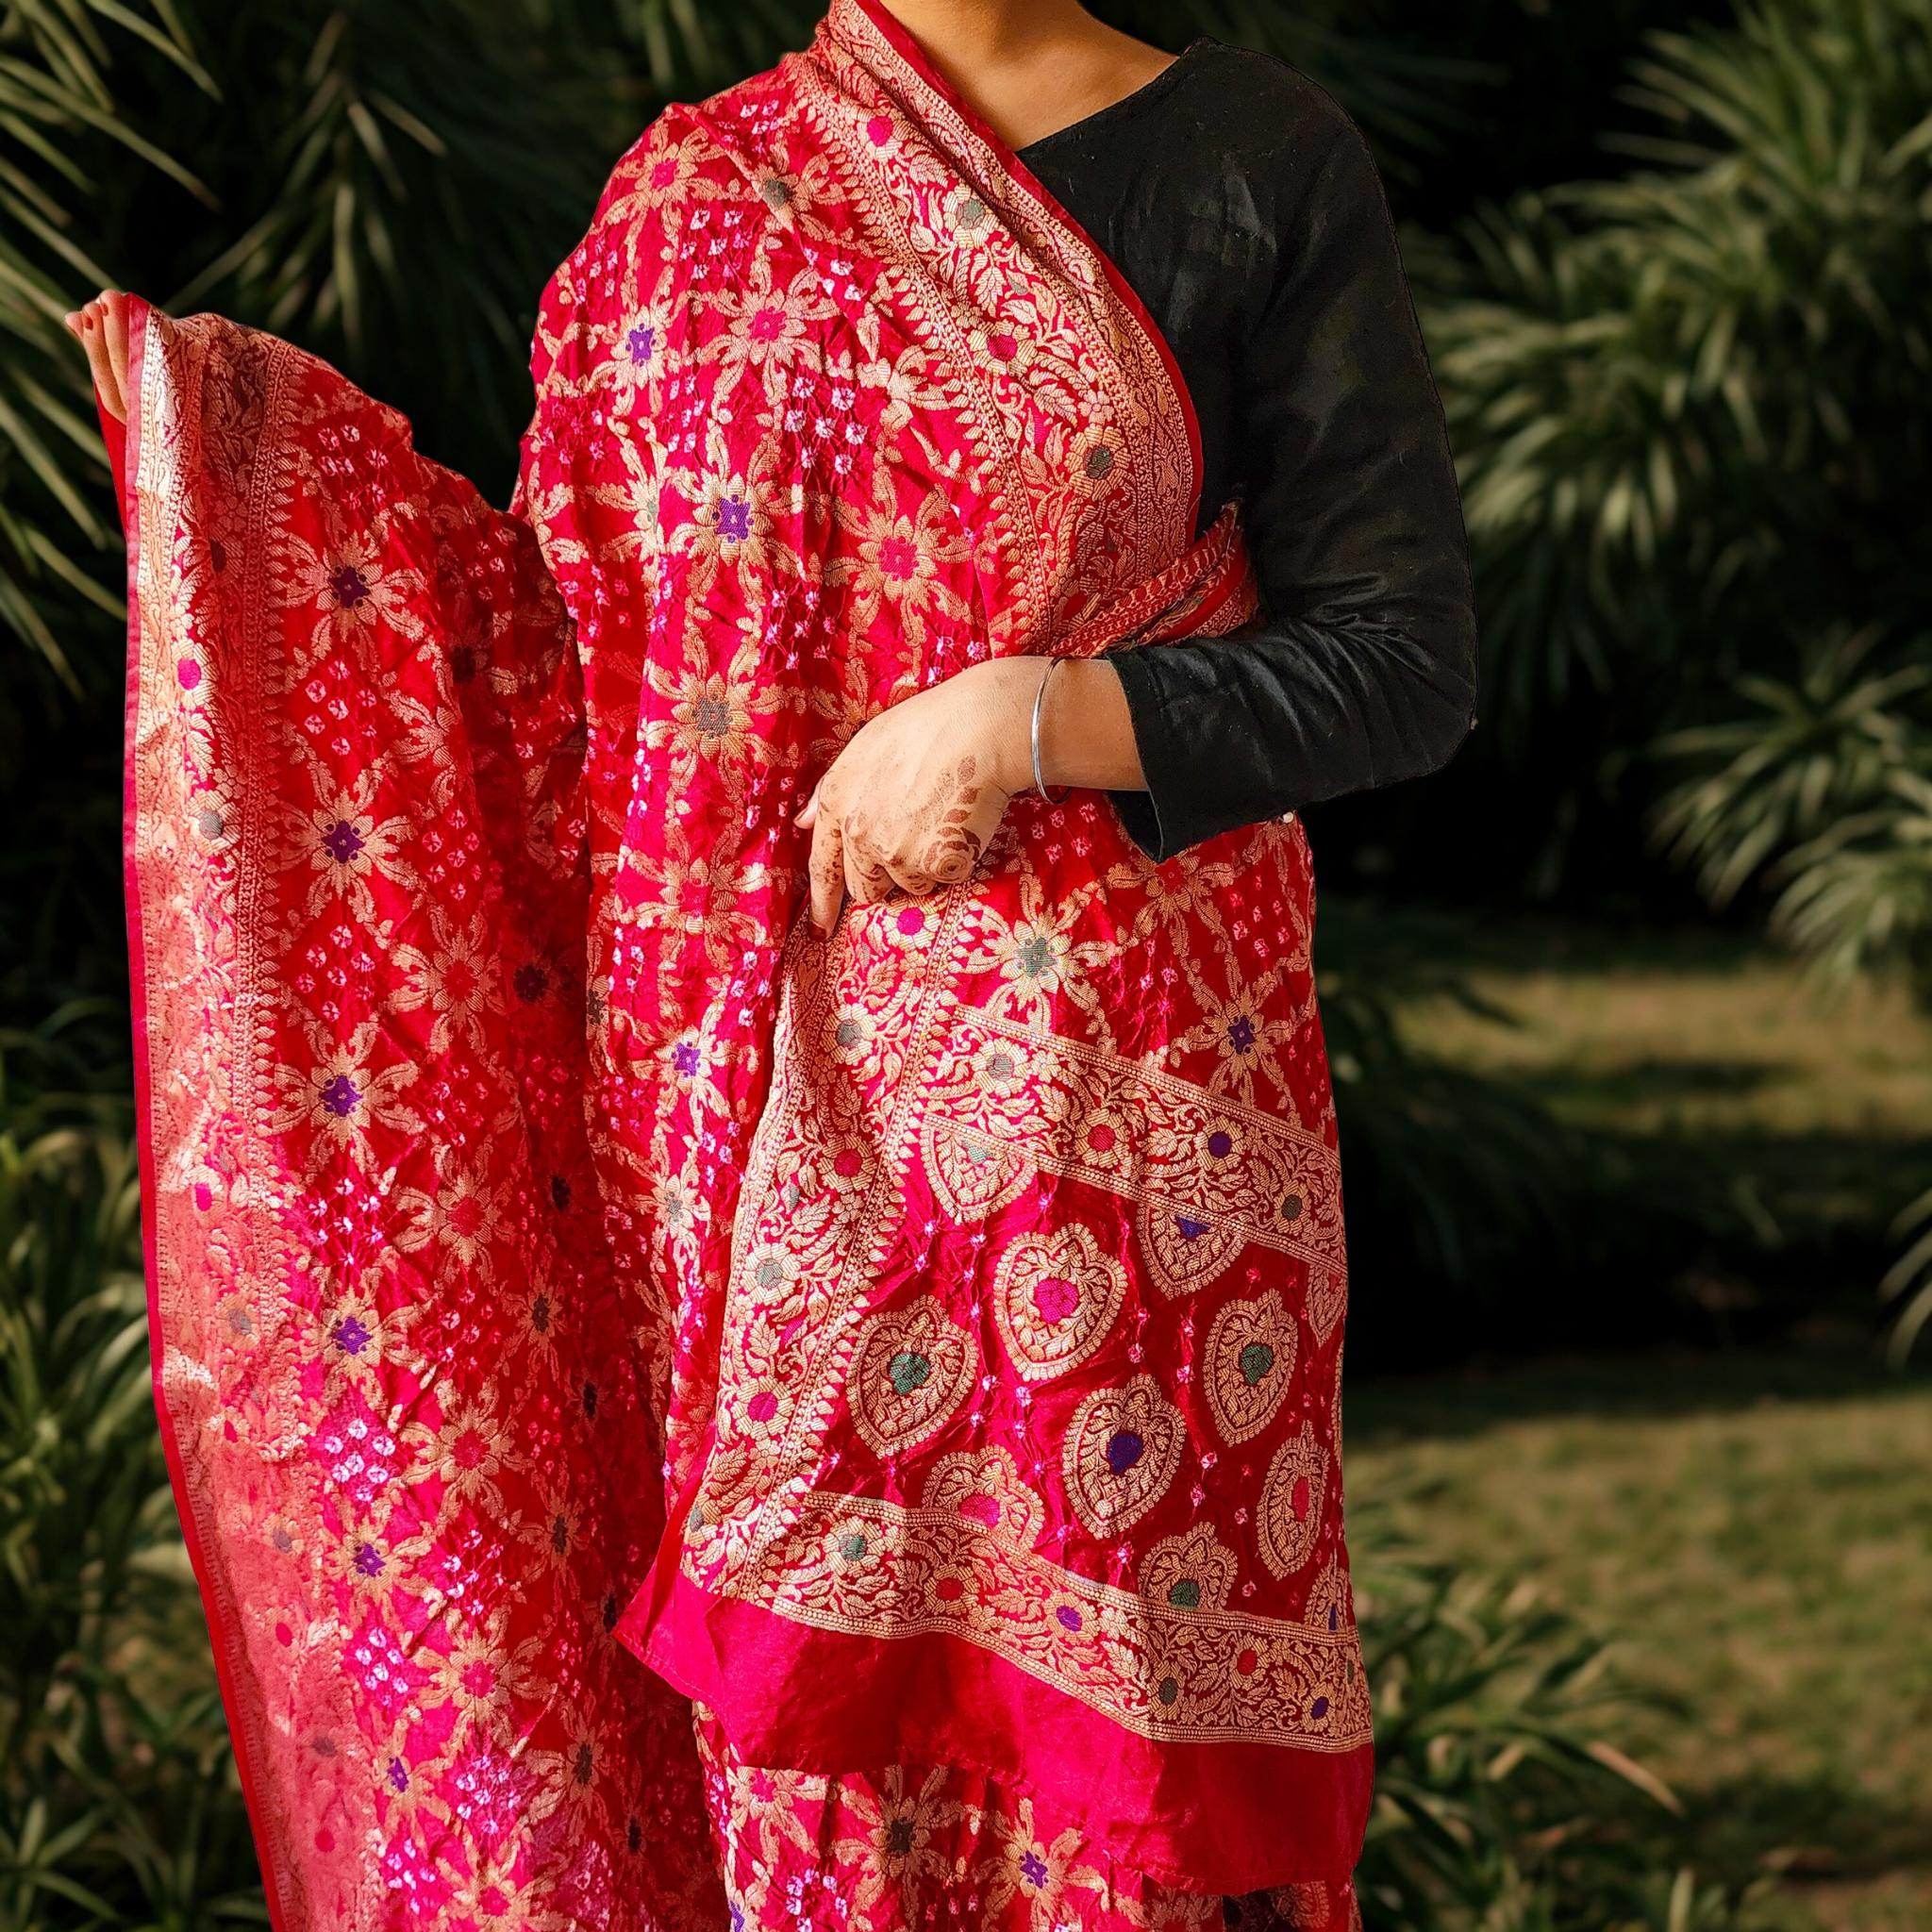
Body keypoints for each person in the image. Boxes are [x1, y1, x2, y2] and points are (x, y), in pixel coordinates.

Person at [69, 1, 1474, 1927]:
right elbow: (565, 694)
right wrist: (246, 482)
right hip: (737, 1184)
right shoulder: (694, 195)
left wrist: (1022, 719)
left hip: (1115, 1166)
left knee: (1110, 1831)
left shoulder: (1252, 152)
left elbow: (1395, 659)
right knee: (806, 1812)